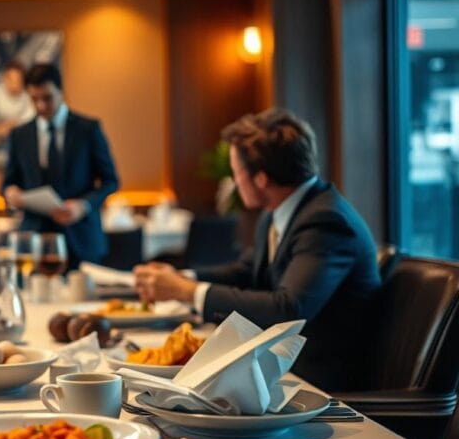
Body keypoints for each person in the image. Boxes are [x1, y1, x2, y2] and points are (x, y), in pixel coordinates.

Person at [133, 108, 381, 391]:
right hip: (279, 368)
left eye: (236, 173)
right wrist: (182, 278)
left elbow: (289, 309)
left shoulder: (327, 221)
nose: (234, 183)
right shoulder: (279, 211)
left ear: (261, 178)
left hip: (320, 384)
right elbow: (248, 272)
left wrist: (188, 292)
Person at [0, 64, 120, 267]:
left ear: (61, 92)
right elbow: (7, 183)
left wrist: (83, 206)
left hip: (81, 238)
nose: (40, 106)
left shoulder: (88, 129)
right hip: (34, 242)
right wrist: (10, 193)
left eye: (47, 98)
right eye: (34, 99)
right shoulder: (19, 135)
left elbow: (111, 181)